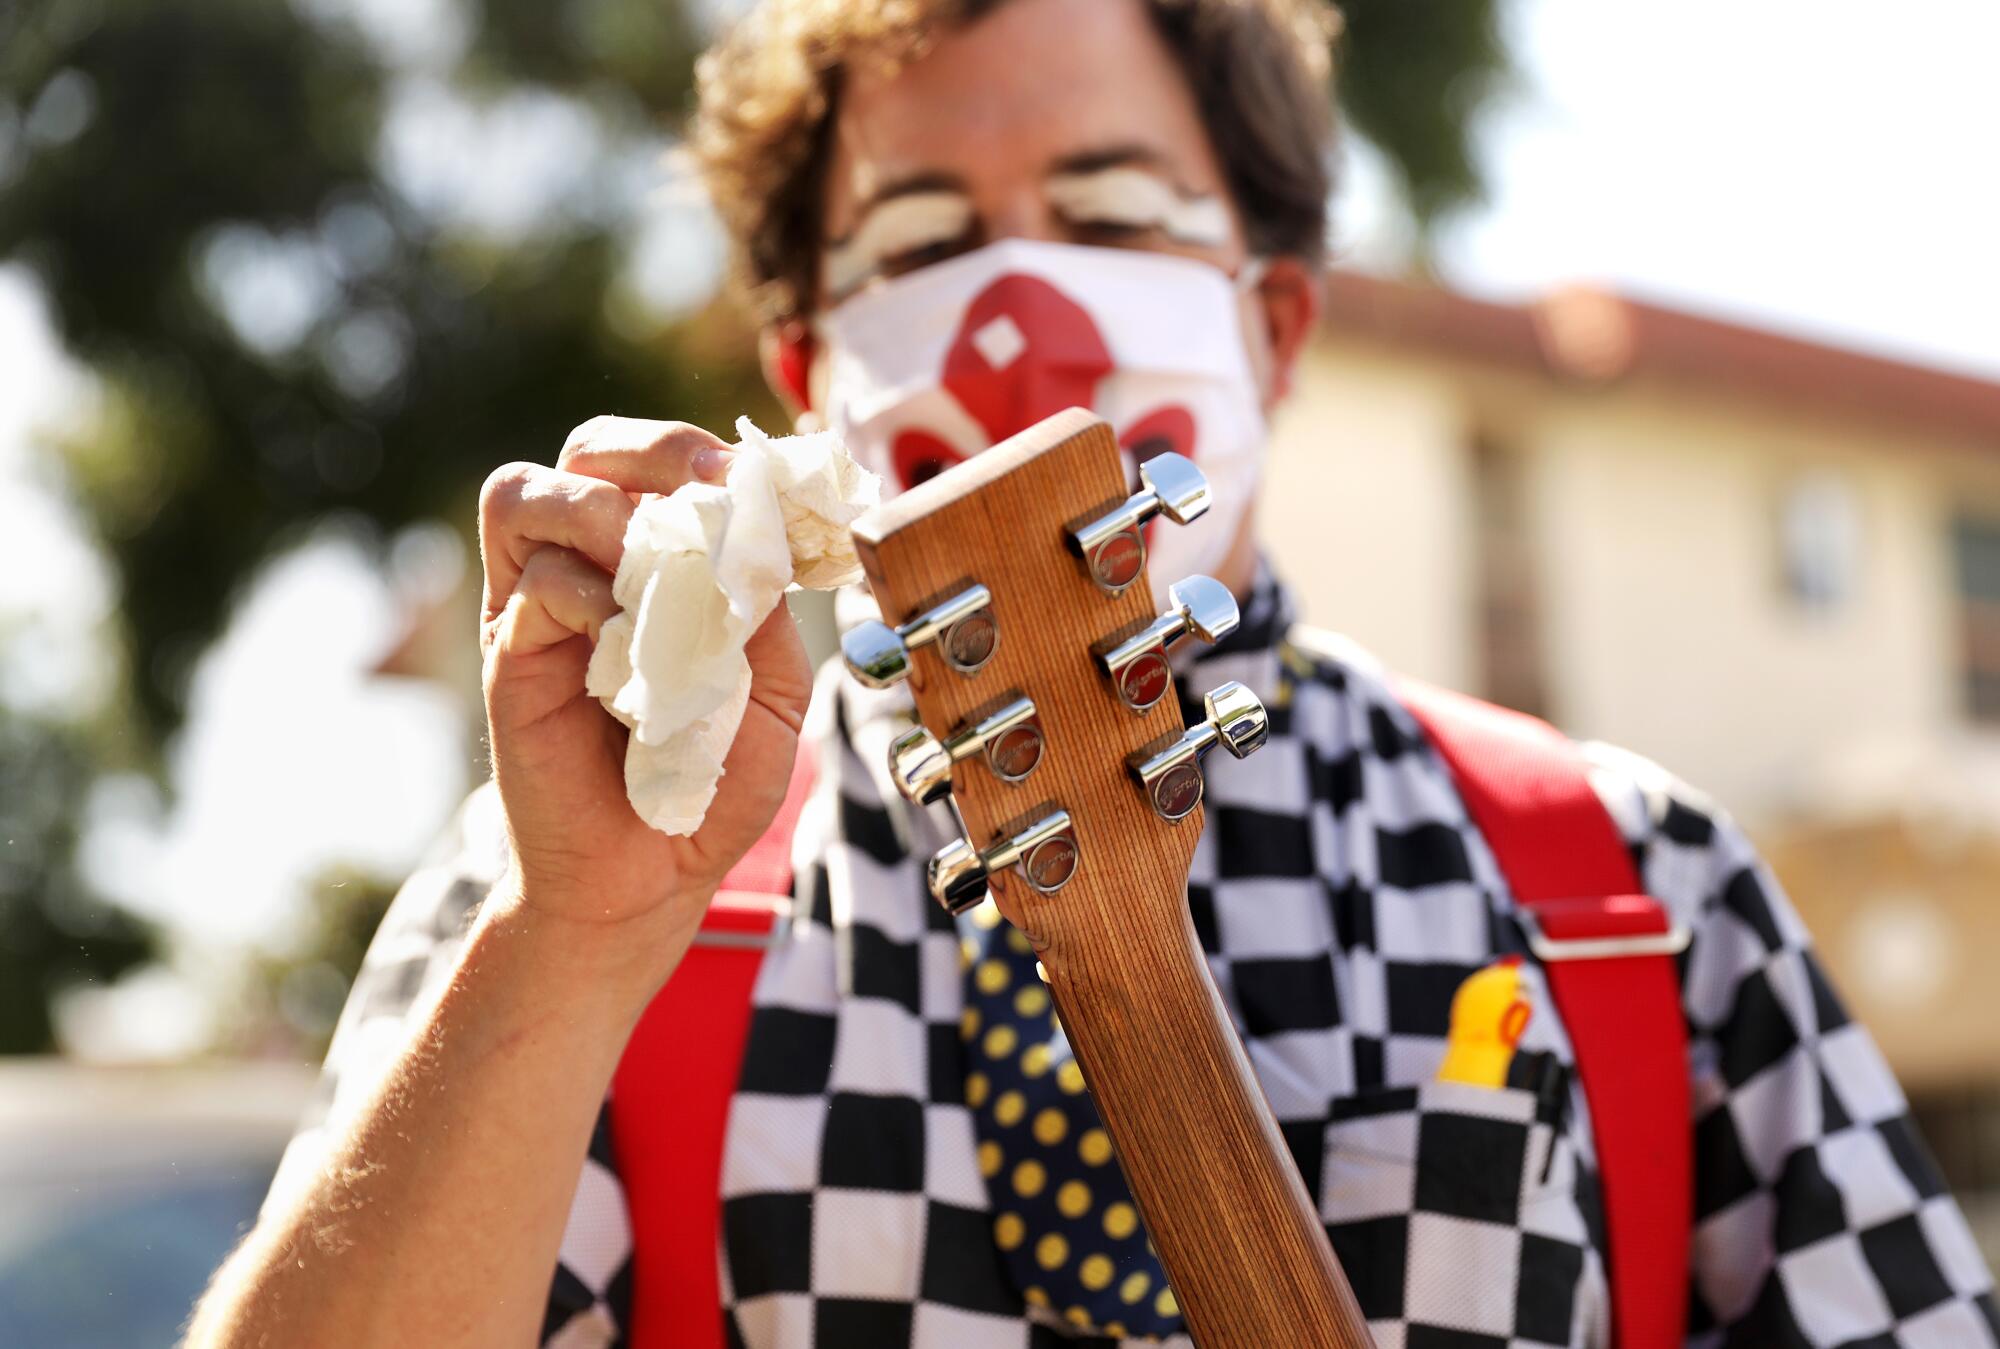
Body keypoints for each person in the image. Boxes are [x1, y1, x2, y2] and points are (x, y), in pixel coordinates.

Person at [189, 0, 1999, 1345]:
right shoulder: (562, 894)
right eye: (920, 245)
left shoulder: (1632, 895)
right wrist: (567, 950)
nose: (1016, 315)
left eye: (1114, 217)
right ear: (809, 375)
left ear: (1272, 325)